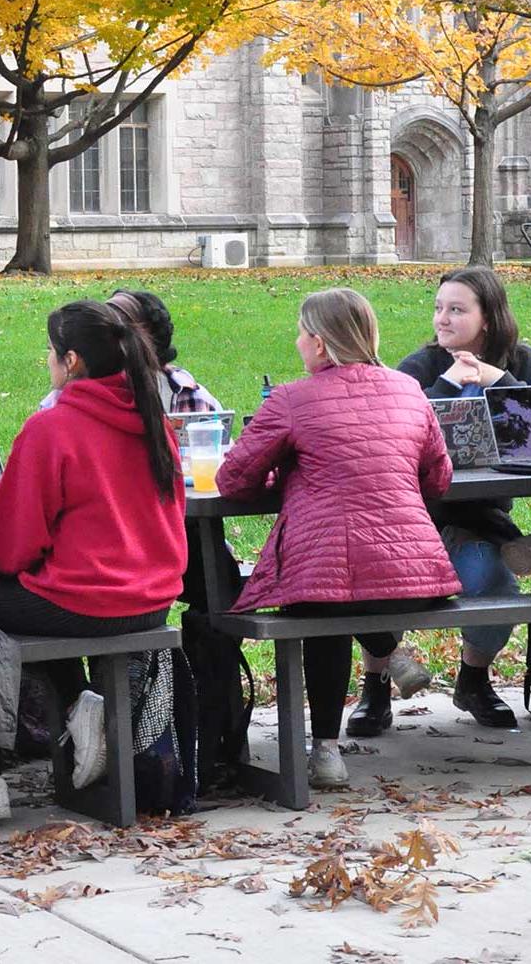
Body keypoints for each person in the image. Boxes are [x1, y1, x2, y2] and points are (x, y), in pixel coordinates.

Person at [0, 299, 189, 825]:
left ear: (72, 361)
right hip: (154, 600)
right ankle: (86, 710)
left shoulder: (51, 429)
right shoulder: (154, 421)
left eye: (52, 355)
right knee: (37, 598)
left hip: (87, 601)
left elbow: (9, 547)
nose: (50, 364)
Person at [216, 288, 461, 788]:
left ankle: (325, 751)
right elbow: (437, 479)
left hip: (325, 580)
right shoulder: (409, 390)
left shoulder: (291, 398)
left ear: (322, 344)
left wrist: (282, 477)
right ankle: (388, 650)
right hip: (415, 576)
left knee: (320, 602)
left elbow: (232, 481)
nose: (297, 341)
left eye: (303, 332)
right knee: (339, 590)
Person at [374, 265, 531, 732]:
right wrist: (448, 383)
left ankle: (473, 681)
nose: (442, 319)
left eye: (456, 309)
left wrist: (497, 379)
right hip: (410, 523)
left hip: (482, 520)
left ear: (487, 318)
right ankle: (374, 688)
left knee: (496, 584)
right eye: (438, 308)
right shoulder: (420, 367)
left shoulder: (524, 364)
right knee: (379, 575)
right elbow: (395, 431)